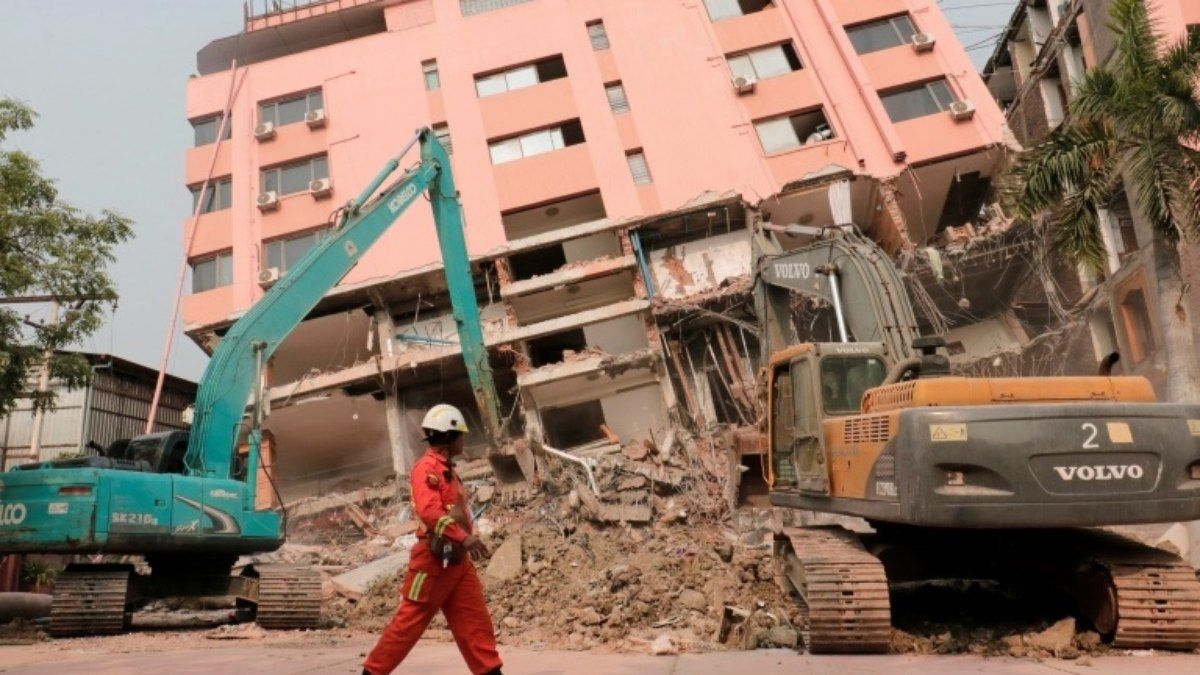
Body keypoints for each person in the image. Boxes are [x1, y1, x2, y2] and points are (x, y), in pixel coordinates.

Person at [362, 404, 503, 675]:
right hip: (433, 562)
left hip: (457, 563)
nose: (464, 440)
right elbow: (429, 512)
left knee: (476, 626)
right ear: (449, 438)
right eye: (460, 435)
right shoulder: (425, 469)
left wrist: (463, 542)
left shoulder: (446, 468)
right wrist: (464, 538)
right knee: (408, 625)